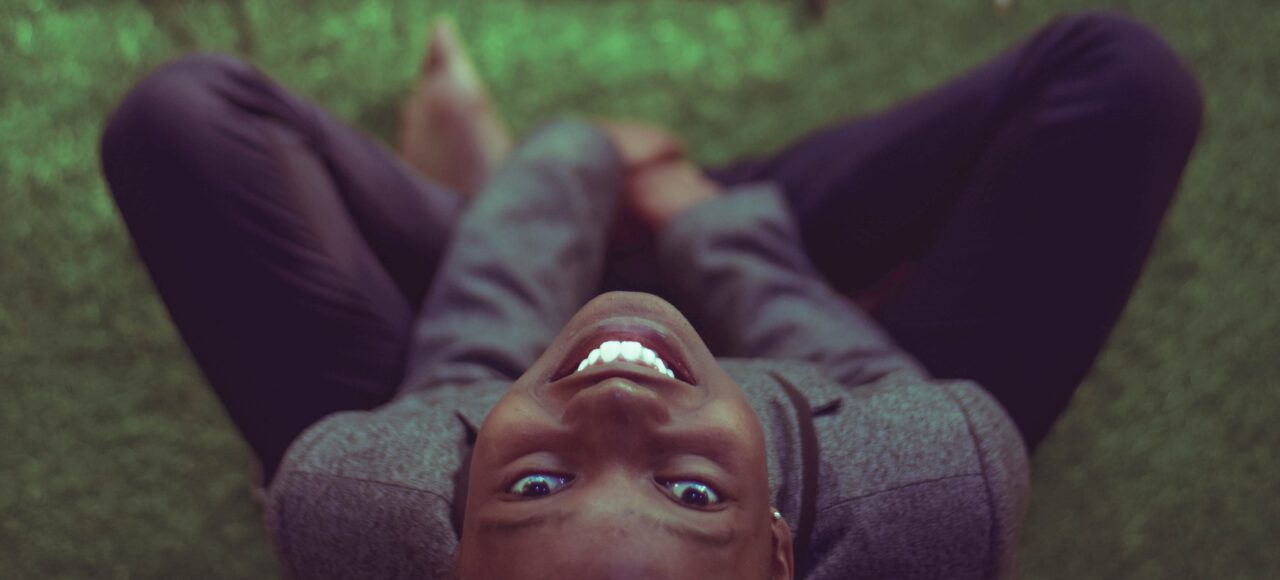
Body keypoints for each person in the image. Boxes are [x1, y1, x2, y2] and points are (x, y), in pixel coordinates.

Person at [98, 9, 1202, 580]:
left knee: (180, 120)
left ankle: (489, 193)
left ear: (449, 555)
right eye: (687, 498)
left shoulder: (362, 499)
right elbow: (831, 357)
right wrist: (691, 212)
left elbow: (478, 353)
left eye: (534, 483)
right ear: (780, 550)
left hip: (497, 338)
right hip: (796, 303)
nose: (615, 412)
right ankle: (668, 215)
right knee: (1123, 79)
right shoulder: (929, 485)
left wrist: (569, 163)